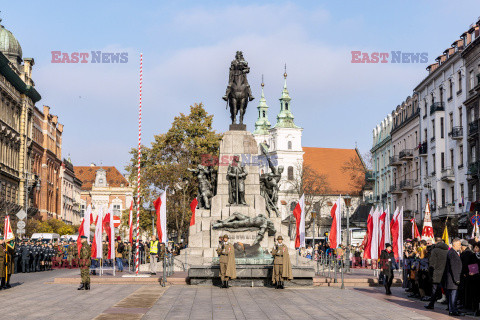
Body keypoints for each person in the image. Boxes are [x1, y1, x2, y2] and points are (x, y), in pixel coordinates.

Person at [425, 237, 449, 310]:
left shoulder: (435, 250)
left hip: (436, 273)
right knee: (445, 289)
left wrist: (430, 272)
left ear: (436, 242)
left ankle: (431, 304)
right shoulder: (447, 250)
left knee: (434, 289)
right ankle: (450, 305)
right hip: (445, 272)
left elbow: (432, 263)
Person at [444, 238, 464, 316]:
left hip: (452, 278)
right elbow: (454, 267)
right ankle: (453, 310)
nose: (460, 246)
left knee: (452, 295)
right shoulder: (452, 253)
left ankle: (453, 309)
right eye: (459, 244)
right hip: (453, 279)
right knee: (453, 295)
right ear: (454, 245)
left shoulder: (453, 252)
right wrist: (457, 279)